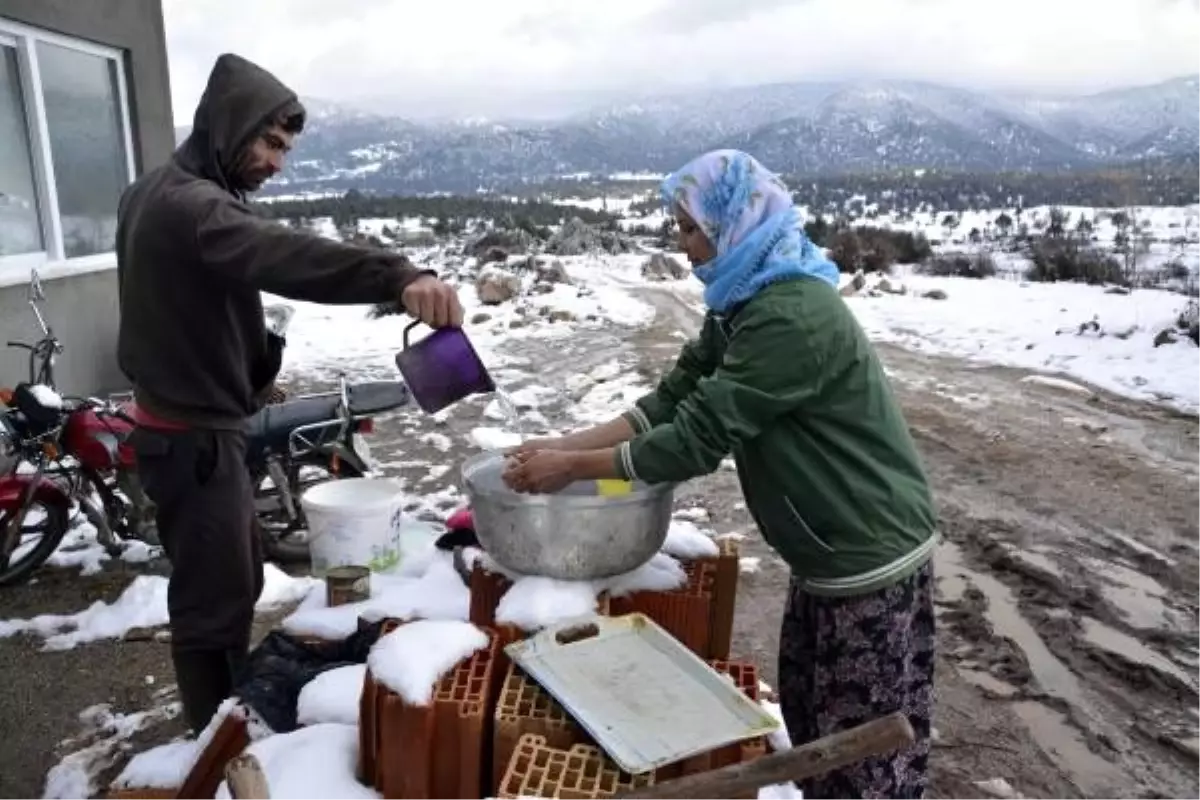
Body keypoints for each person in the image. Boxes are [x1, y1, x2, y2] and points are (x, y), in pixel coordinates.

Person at [503, 149, 937, 798]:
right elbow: (672, 402)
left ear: (735, 222)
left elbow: (698, 439)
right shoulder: (742, 301)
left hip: (866, 553)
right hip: (825, 555)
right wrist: (564, 447)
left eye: (689, 228)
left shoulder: (790, 316)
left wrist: (571, 469)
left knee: (859, 760)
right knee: (815, 728)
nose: (682, 246)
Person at [115, 53, 463, 734]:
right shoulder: (196, 207)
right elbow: (284, 254)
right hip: (195, 439)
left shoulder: (154, 189)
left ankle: (223, 721)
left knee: (233, 582)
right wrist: (397, 275)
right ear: (229, 125)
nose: (278, 163)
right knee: (213, 607)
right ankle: (216, 741)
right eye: (270, 143)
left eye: (286, 149)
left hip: (190, 428)